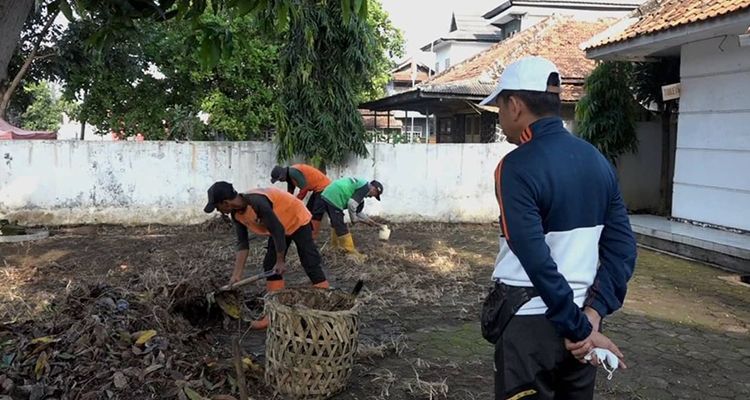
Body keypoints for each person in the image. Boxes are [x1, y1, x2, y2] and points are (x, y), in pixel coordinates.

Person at [480, 56, 637, 399]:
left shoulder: (515, 166)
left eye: (500, 107)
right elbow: (623, 250)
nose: (501, 117)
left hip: (531, 326)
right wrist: (592, 316)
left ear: (516, 105)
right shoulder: (597, 160)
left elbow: (534, 257)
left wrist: (576, 326)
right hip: (583, 323)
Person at [203, 181, 329, 330]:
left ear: (225, 203)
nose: (219, 211)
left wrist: (281, 261)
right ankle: (273, 314)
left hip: (296, 217)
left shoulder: (258, 203)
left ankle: (327, 307)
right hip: (279, 226)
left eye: (217, 207)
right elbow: (242, 244)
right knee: (270, 265)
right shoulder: (236, 214)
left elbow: (278, 231)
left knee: (310, 262)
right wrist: (236, 275)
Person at [318, 177, 384, 259]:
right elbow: (351, 204)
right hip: (336, 196)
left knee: (336, 223)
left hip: (327, 193)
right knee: (341, 226)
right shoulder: (365, 188)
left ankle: (335, 247)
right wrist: (353, 219)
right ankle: (351, 253)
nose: (371, 197)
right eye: (375, 195)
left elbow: (358, 212)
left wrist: (370, 221)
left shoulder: (361, 190)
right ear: (373, 189)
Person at [270, 164, 331, 237]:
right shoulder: (289, 176)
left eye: (279, 179)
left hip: (324, 188)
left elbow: (304, 189)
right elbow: (289, 194)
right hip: (317, 189)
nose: (280, 181)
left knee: (316, 213)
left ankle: (313, 236)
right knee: (308, 211)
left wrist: (295, 202)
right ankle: (308, 233)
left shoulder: (294, 173)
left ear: (282, 176)